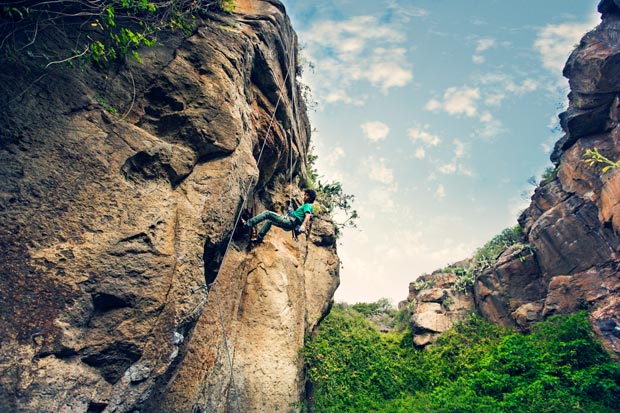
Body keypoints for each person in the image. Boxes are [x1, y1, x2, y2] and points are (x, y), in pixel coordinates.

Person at [244, 189, 316, 242]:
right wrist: (291, 211)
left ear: (311, 198)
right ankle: (259, 238)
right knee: (270, 221)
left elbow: (307, 216)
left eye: (307, 196)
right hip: (290, 225)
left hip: (289, 222)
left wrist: (303, 225)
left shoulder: (307, 206)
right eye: (305, 195)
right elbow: (297, 216)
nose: (305, 196)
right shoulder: (304, 206)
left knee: (267, 213)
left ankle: (247, 224)